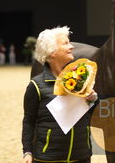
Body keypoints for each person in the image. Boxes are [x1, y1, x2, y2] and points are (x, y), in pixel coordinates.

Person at [21, 26, 98, 163]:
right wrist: (27, 152)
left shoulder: (79, 79)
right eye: (65, 43)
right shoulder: (36, 86)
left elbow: (90, 116)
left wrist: (93, 100)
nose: (72, 47)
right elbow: (28, 121)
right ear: (52, 52)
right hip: (48, 158)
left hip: (81, 156)